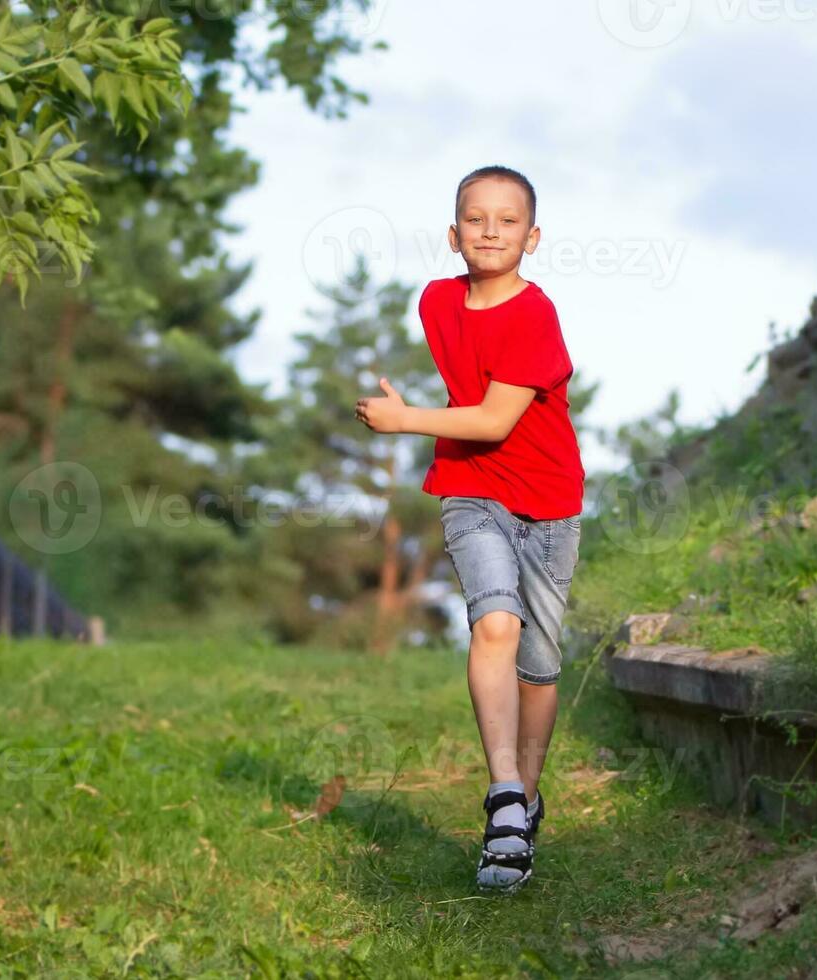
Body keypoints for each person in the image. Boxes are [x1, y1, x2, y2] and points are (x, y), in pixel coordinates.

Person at [355, 165, 585, 893]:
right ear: (453, 236)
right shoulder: (434, 301)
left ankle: (526, 799)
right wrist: (423, 421)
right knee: (495, 626)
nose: (490, 230)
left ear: (533, 236)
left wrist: (405, 418)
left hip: (548, 501)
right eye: (476, 219)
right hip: (470, 490)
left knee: (539, 667)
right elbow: (473, 424)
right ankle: (505, 799)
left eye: (507, 220)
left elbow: (492, 418)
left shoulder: (535, 316)